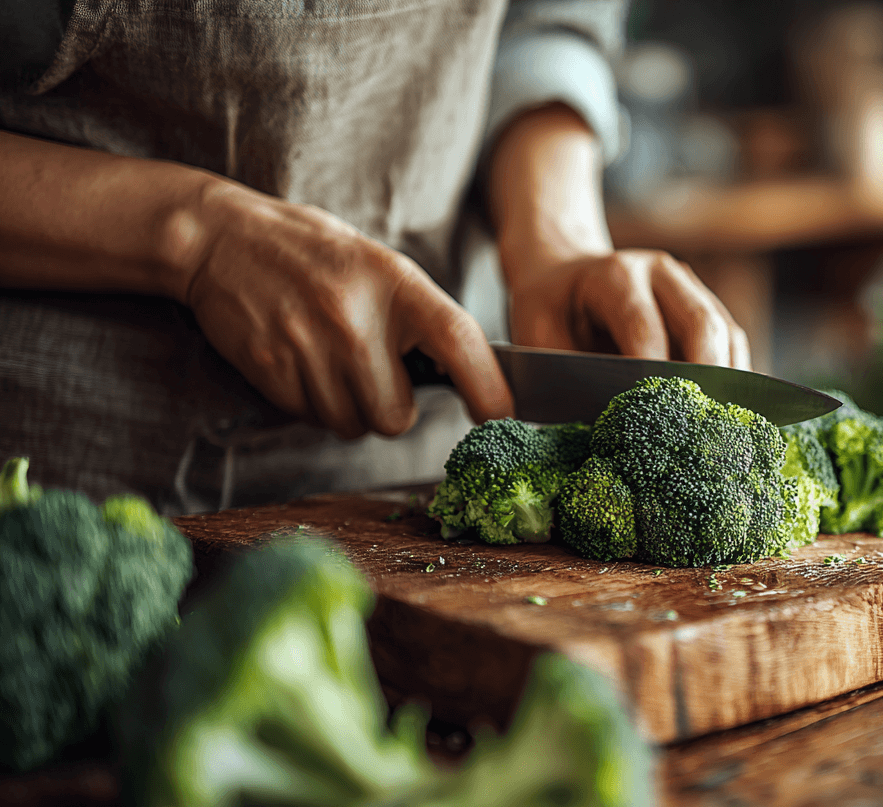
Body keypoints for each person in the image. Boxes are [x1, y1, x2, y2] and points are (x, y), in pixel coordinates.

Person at [0, 0, 750, 513]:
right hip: (58, 499)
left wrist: (555, 238)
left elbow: (546, 19)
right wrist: (192, 239)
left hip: (394, 489)